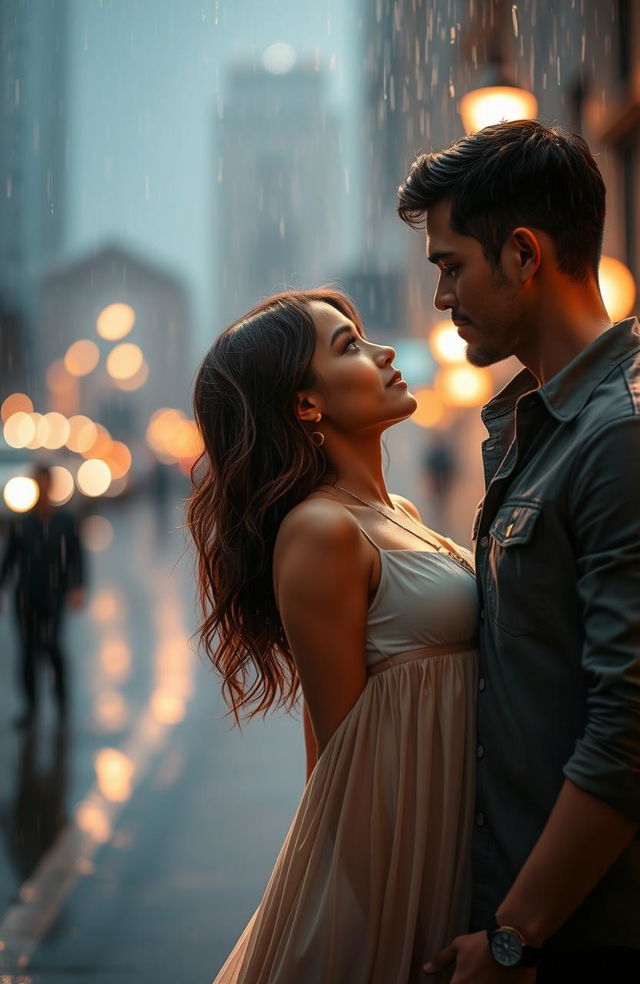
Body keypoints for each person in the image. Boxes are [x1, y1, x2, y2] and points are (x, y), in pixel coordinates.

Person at [397, 119, 640, 983]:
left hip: (583, 940)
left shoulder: (619, 436)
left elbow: (630, 730)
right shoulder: (532, 425)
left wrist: (515, 936)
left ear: (524, 255)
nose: (440, 299)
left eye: (451, 266)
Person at [187, 287, 480, 983]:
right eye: (348, 346)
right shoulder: (321, 530)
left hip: (457, 839)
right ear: (304, 405)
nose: (383, 354)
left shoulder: (397, 510)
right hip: (401, 867)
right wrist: (391, 922)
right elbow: (339, 751)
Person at [0, 463, 86, 728]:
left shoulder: (65, 522)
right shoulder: (23, 523)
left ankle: (61, 705)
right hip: (26, 595)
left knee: (51, 647)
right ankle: (31, 708)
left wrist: (77, 587)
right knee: (27, 651)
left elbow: (76, 558)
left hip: (53, 595)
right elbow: (9, 560)